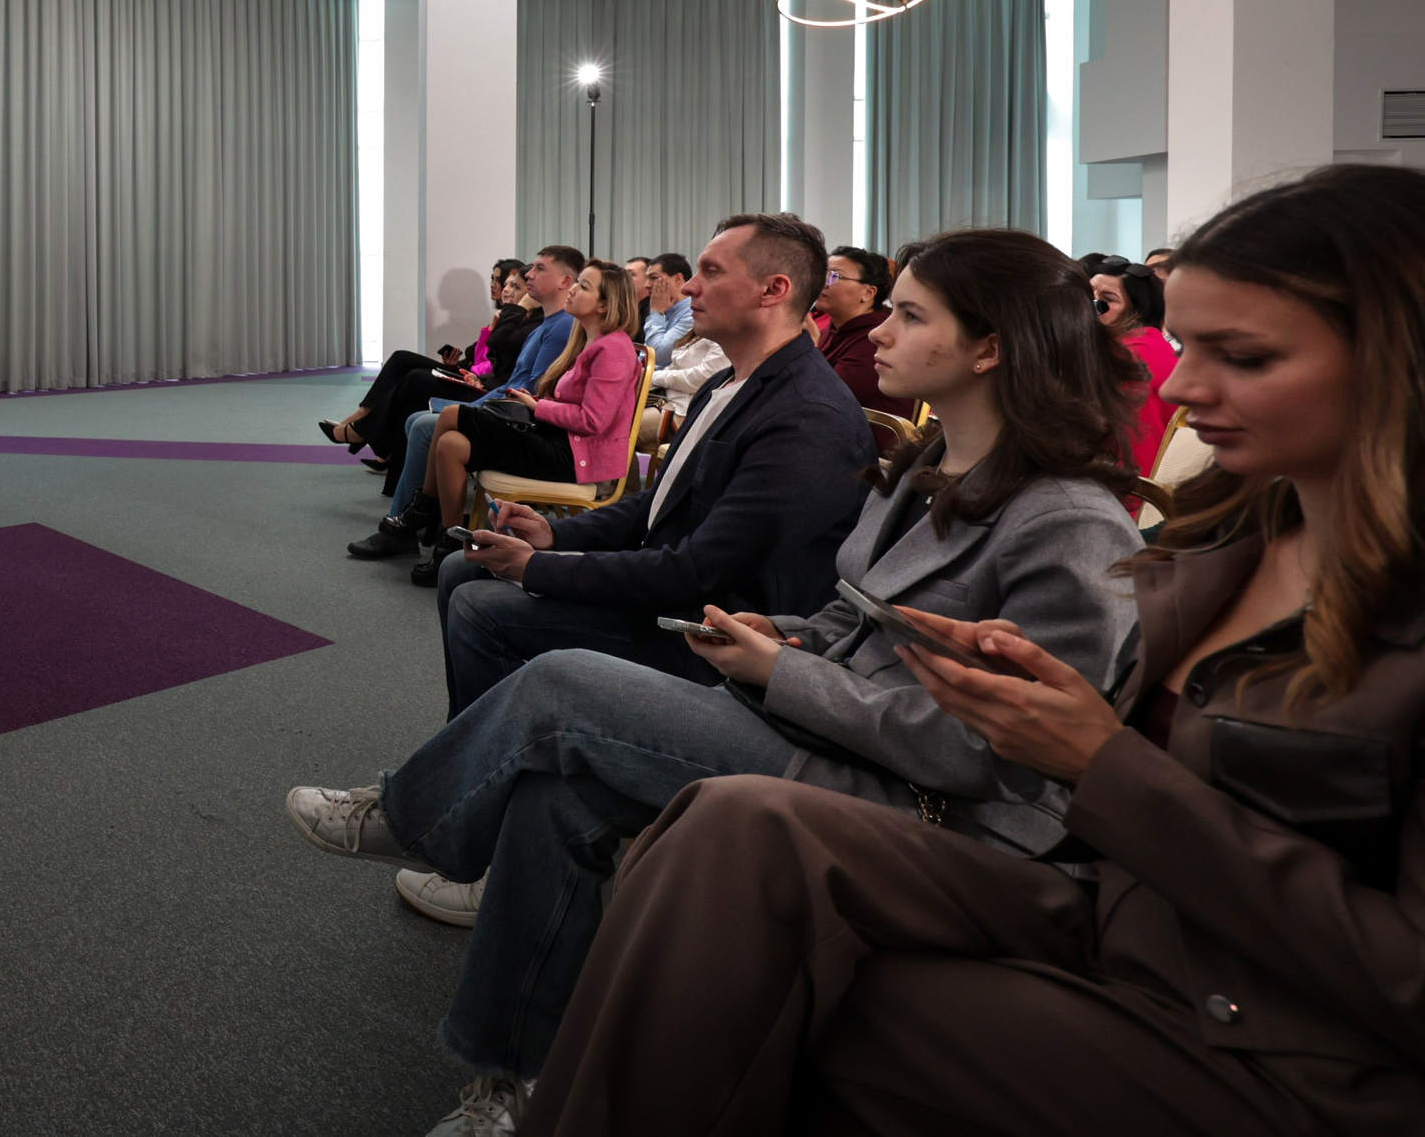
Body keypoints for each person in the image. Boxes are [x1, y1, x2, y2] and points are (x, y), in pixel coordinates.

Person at [513, 163, 1425, 1137]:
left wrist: (1095, 757)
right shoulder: (1226, 536)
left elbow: (1394, 970)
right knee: (732, 831)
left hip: (1263, 1030)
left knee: (726, 945)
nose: (1179, 381)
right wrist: (1017, 699)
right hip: (1107, 904)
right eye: (1190, 342)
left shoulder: (1078, 519)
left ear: (1393, 360)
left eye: (1238, 354)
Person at [285, 227, 1145, 1137]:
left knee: (562, 680)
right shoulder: (928, 470)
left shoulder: (1071, 527)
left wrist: (788, 673)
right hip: (829, 731)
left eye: (908, 314)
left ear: (991, 347)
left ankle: (413, 817)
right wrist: (788, 637)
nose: (877, 329)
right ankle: (518, 1079)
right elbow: (856, 621)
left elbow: (997, 755)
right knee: (554, 798)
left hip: (934, 814)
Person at [430, 213, 873, 709]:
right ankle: (470, 763)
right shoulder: (728, 381)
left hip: (710, 636)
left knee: (478, 604)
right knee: (460, 570)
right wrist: (556, 536)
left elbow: (698, 574)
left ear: (773, 289)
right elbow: (659, 504)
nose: (691, 289)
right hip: (675, 593)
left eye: (711, 272)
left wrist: (538, 569)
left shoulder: (807, 417)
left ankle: (468, 775)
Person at [348, 249, 581, 562]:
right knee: (419, 417)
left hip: (524, 421)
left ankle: (411, 523)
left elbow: (532, 389)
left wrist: (480, 406)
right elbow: (513, 377)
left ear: (565, 281)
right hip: (507, 407)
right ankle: (421, 523)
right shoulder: (547, 324)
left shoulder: (562, 326)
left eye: (540, 268)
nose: (528, 275)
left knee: (425, 423)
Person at [425, 261, 643, 529]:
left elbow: (592, 420)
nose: (573, 290)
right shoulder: (589, 340)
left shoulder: (613, 348)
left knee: (452, 414)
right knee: (450, 445)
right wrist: (537, 403)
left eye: (583, 286)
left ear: (604, 305)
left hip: (576, 457)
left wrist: (536, 406)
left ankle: (422, 509)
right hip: (560, 440)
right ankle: (449, 536)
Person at [323, 260, 523, 455]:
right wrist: (458, 364)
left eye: (507, 283)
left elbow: (490, 363)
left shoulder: (514, 320)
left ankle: (363, 427)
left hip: (479, 383)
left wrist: (489, 334)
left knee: (414, 375)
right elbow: (481, 357)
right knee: (403, 360)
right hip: (471, 374)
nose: (498, 286)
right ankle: (365, 424)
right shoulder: (503, 316)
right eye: (497, 280)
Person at [1094, 256, 1178, 472]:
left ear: (1136, 311)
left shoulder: (1128, 354)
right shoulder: (1151, 342)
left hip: (1124, 490)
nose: (1091, 305)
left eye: (1108, 299)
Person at [813, 245, 894, 415]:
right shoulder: (830, 331)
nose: (823, 283)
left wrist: (808, 349)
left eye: (834, 276)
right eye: (823, 274)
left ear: (868, 293)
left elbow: (825, 399)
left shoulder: (876, 339)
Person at [638, 252, 694, 365]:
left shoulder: (692, 314)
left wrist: (655, 313)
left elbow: (656, 356)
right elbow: (642, 359)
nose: (647, 285)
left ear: (678, 279)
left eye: (653, 278)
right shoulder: (665, 310)